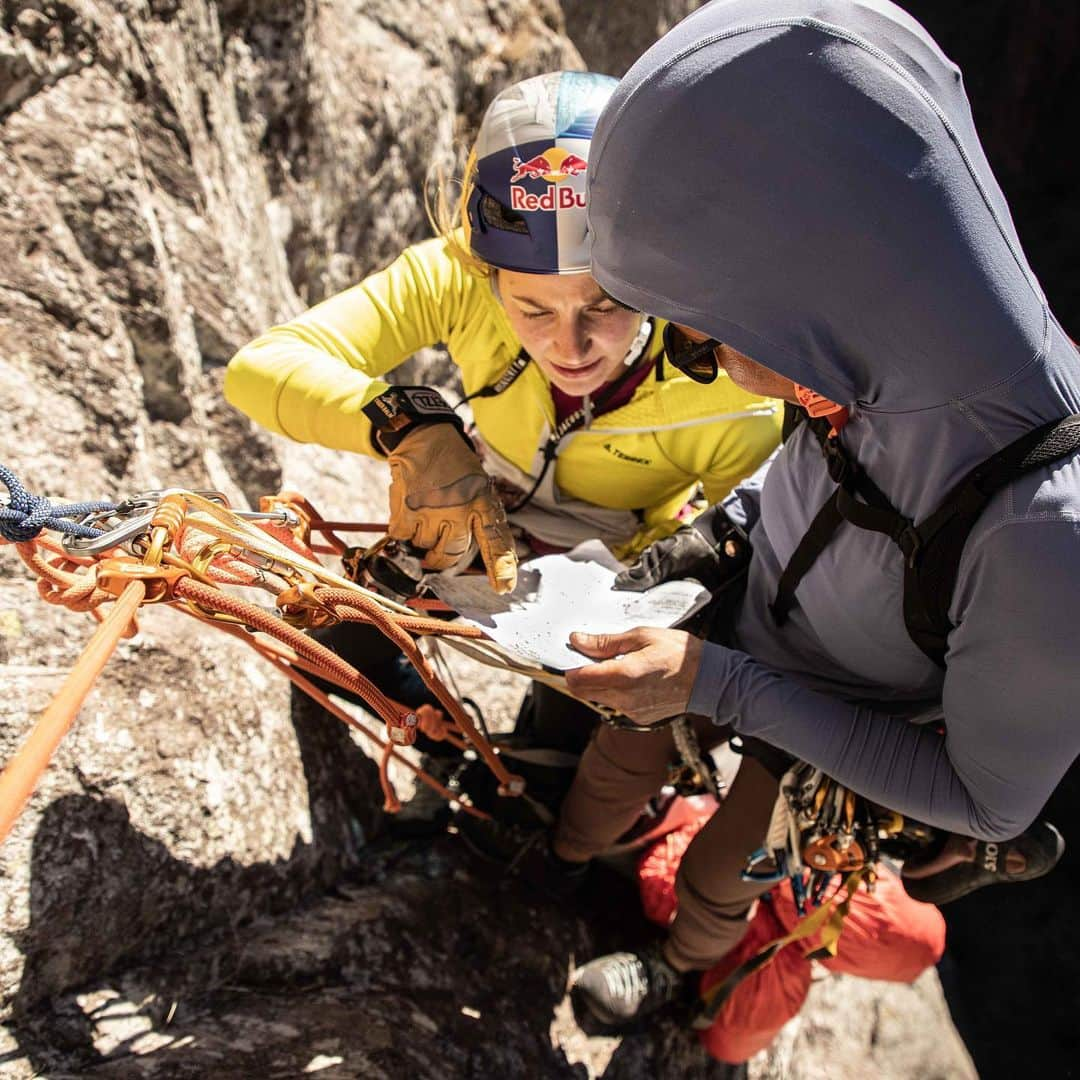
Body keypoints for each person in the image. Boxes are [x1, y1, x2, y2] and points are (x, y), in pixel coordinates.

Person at [556, 0, 1079, 1047]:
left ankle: (676, 967)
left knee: (725, 872)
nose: (707, 360)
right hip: (755, 620)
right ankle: (560, 858)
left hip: (839, 727)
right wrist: (710, 543)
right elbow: (811, 496)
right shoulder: (891, 349)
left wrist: (717, 684)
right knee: (614, 764)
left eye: (710, 340)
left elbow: (983, 804)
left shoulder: (1051, 538)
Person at [223, 70, 780, 747]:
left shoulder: (728, 387)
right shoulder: (457, 276)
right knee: (342, 638)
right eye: (532, 309)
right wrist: (416, 430)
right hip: (483, 503)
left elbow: (750, 543)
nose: (569, 345)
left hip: (619, 560)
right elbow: (260, 368)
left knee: (564, 732)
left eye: (605, 305)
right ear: (491, 278)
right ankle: (444, 744)